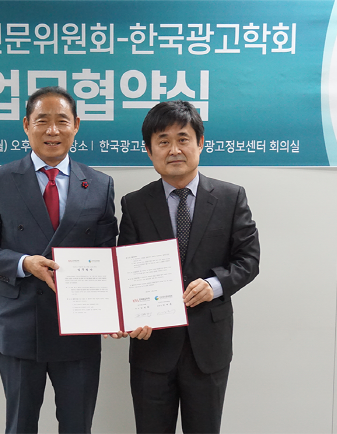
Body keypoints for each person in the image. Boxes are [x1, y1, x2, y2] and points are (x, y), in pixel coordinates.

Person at [0, 86, 118, 433]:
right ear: (26, 125)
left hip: (78, 329)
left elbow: (107, 256)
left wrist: (114, 312)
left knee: (77, 427)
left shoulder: (99, 184)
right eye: (42, 121)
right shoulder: (0, 180)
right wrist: (24, 264)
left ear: (76, 125)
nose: (52, 130)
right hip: (20, 327)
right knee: (20, 426)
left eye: (62, 121)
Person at [117, 100, 260, 433]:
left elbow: (248, 260)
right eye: (163, 141)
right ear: (149, 151)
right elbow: (126, 269)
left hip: (207, 347)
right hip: (152, 346)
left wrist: (214, 285)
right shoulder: (135, 204)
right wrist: (129, 313)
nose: (174, 150)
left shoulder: (231, 197)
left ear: (200, 143)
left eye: (183, 139)